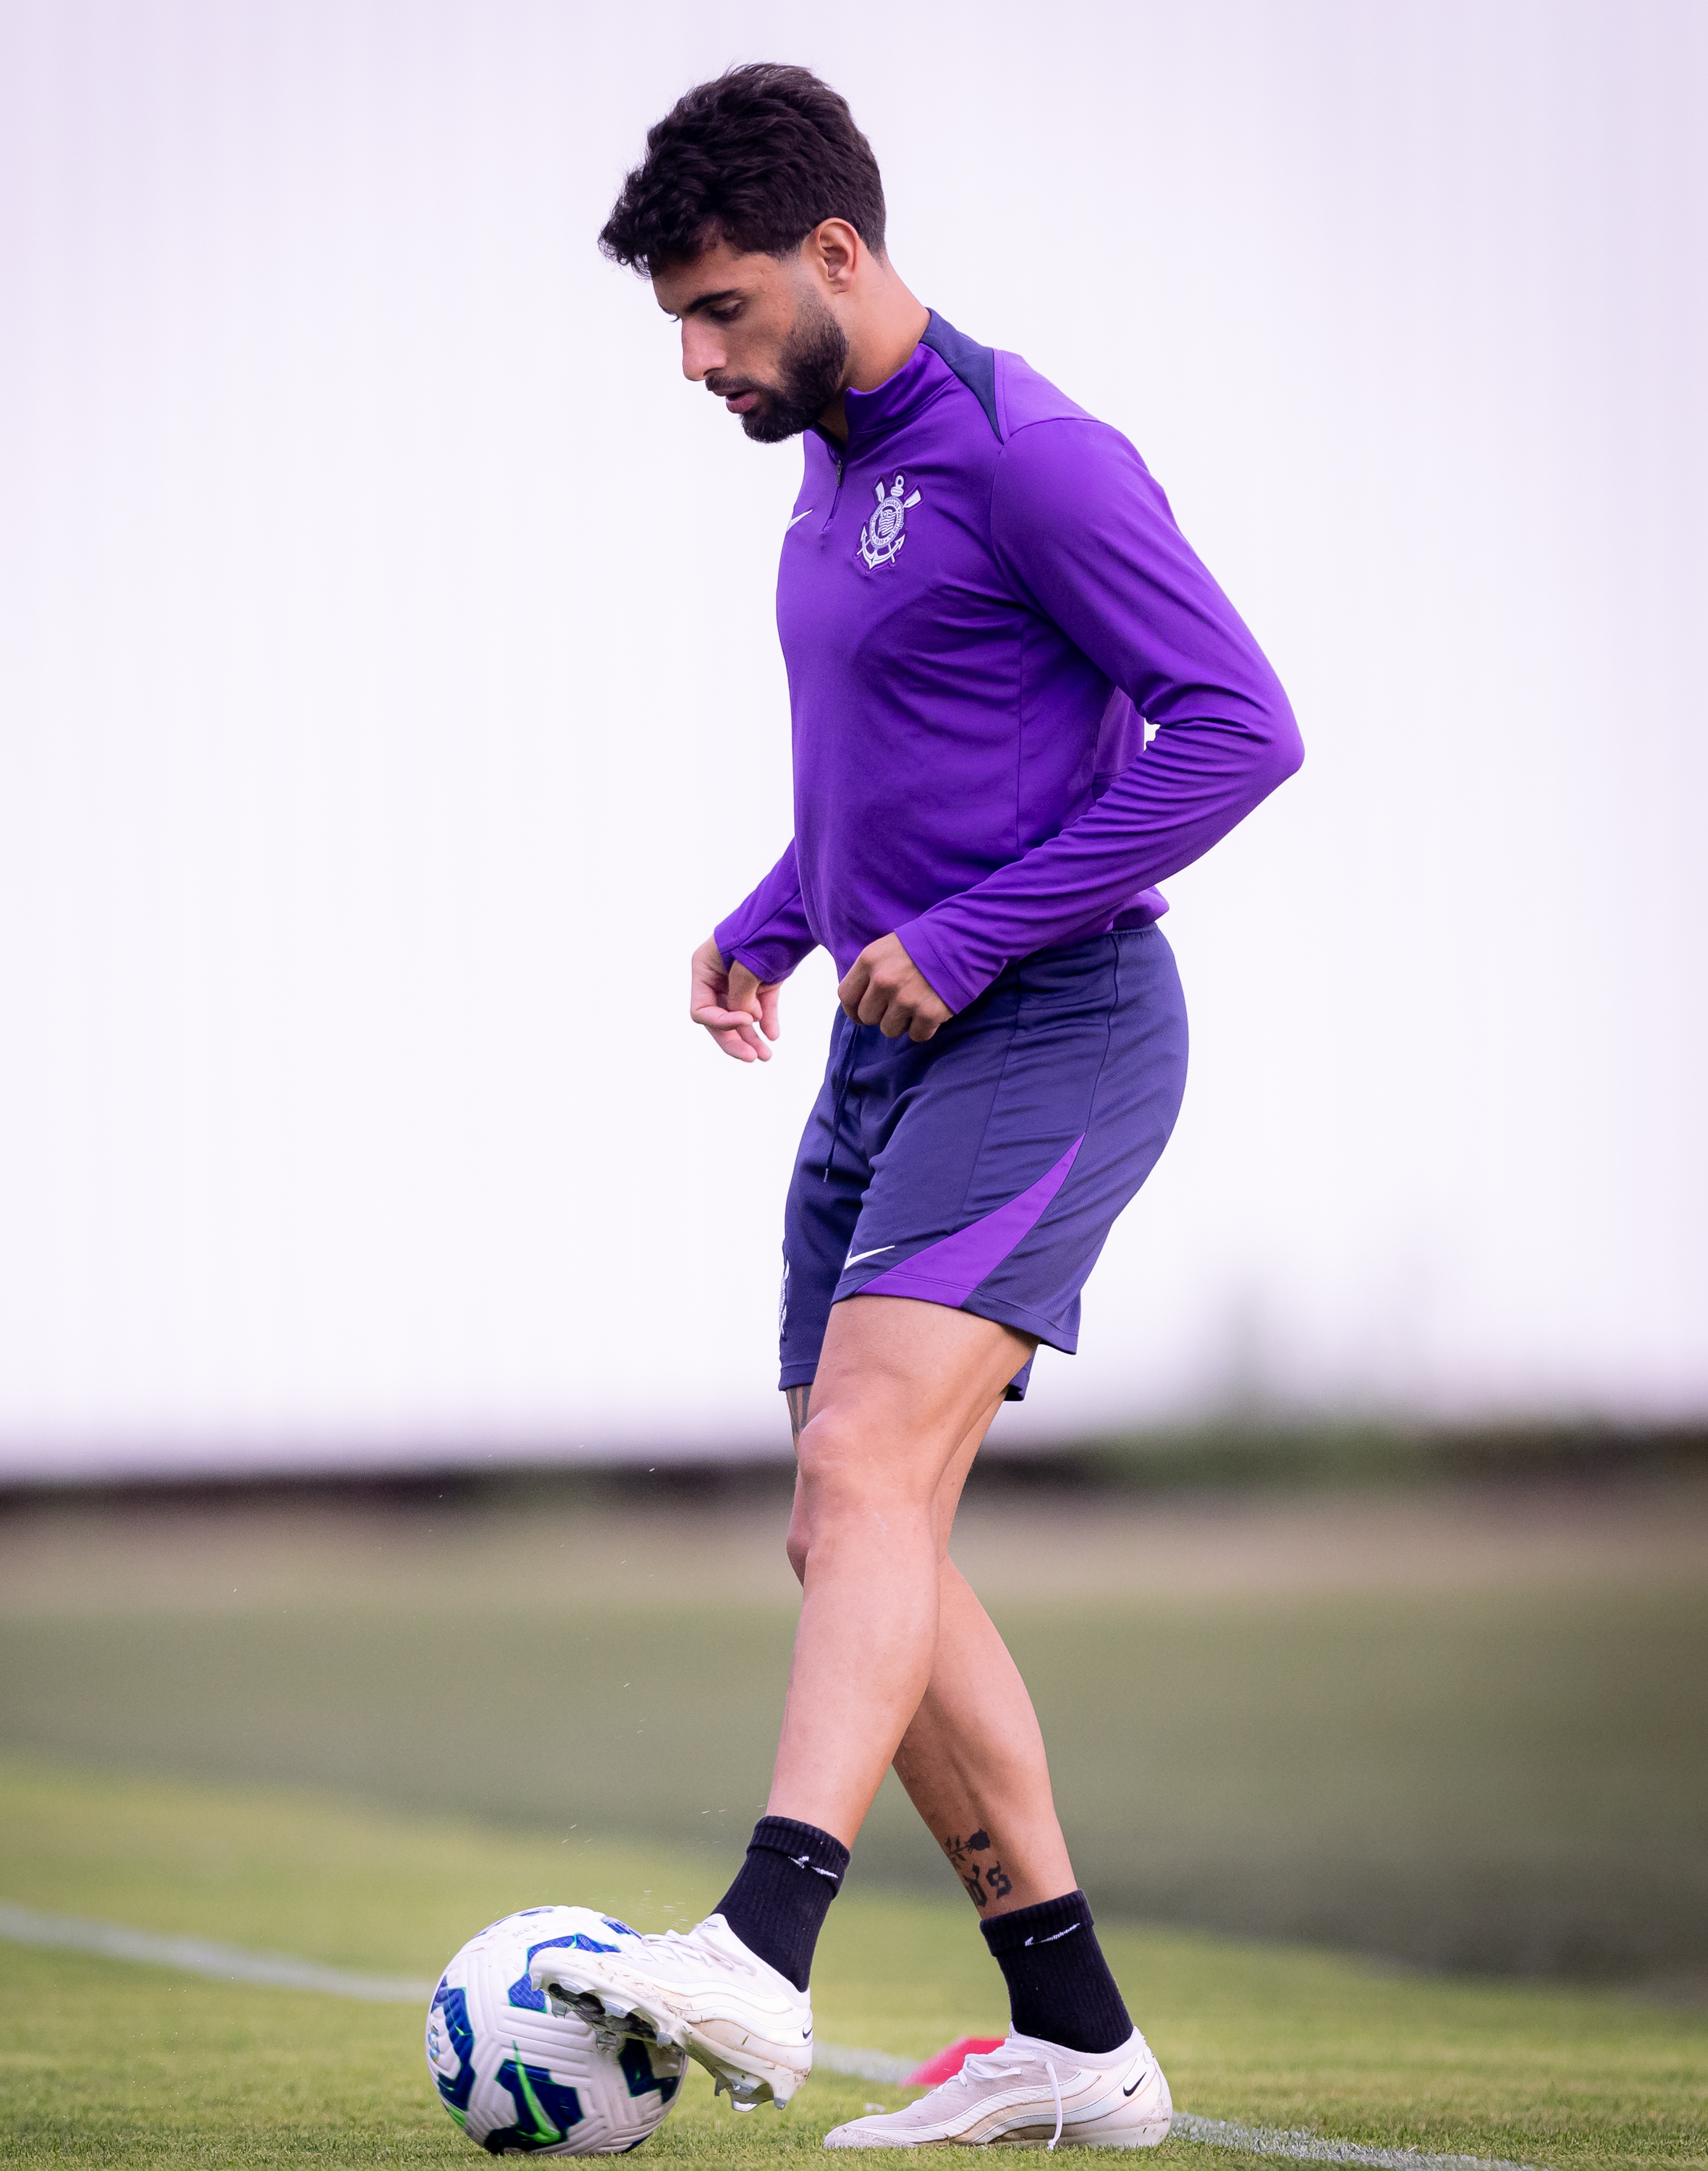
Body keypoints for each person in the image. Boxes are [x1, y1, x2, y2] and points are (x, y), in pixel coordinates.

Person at [533, 64, 1301, 2151]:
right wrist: (777, 913)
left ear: (836, 254)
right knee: (848, 1519)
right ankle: (1079, 2041)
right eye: (678, 324)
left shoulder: (1035, 458)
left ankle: (762, 1951)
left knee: (865, 1462)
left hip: (1054, 1023)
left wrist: (966, 936)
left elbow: (1239, 728)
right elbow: (911, 748)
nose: (696, 361)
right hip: (889, 1041)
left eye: (717, 312)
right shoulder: (832, 447)